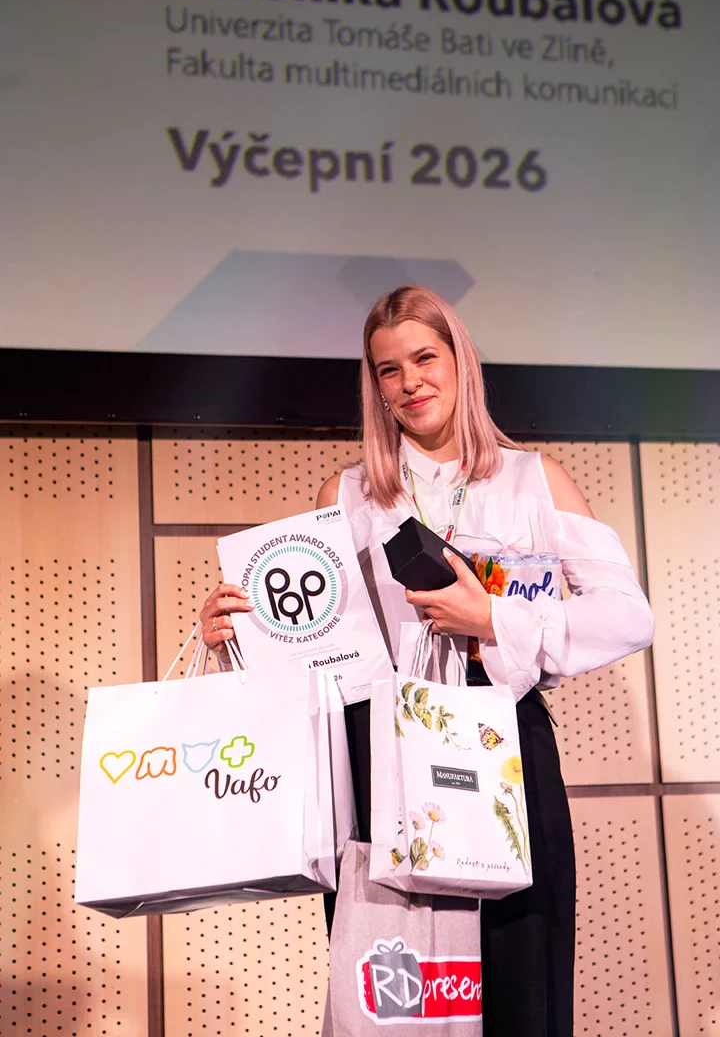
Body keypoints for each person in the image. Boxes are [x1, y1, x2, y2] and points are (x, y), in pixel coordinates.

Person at [199, 285, 654, 1037]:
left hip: (503, 746)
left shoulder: (532, 480)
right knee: (395, 996)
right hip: (379, 758)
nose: (410, 382)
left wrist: (492, 619)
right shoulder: (346, 495)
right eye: (389, 370)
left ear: (459, 361)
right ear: (374, 387)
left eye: (424, 359)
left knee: (518, 983)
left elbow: (628, 615)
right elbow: (315, 654)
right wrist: (236, 638)